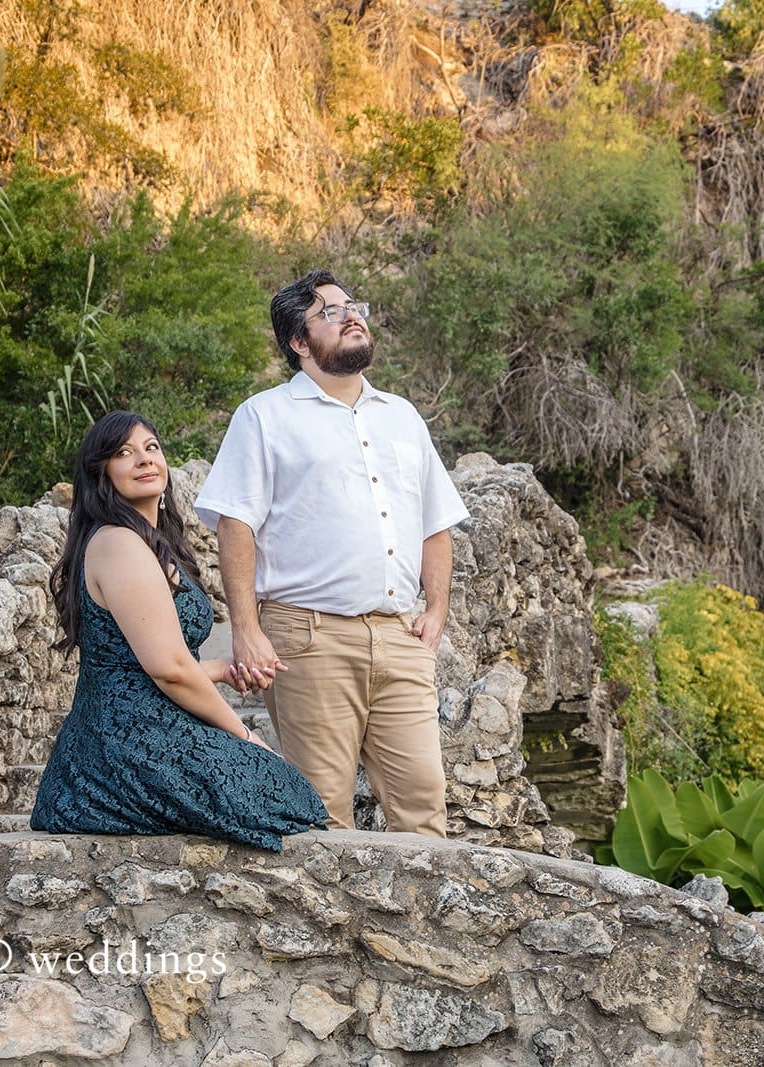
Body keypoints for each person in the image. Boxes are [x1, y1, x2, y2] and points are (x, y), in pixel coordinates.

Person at [193, 270, 469, 836]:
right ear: (299, 342)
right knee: (323, 821)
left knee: (425, 814)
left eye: (354, 306)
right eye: (331, 312)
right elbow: (236, 524)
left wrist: (436, 608)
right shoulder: (264, 417)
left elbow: (435, 521)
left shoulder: (402, 415)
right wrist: (245, 629)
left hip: (400, 637)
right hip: (309, 639)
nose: (351, 316)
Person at [30, 410, 327, 849]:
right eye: (124, 453)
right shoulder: (118, 543)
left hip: (146, 724)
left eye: (151, 448)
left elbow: (139, 662)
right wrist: (244, 735)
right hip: (119, 743)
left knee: (281, 795)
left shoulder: (150, 541)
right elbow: (168, 669)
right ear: (102, 474)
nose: (145, 460)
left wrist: (222, 669)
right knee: (272, 790)